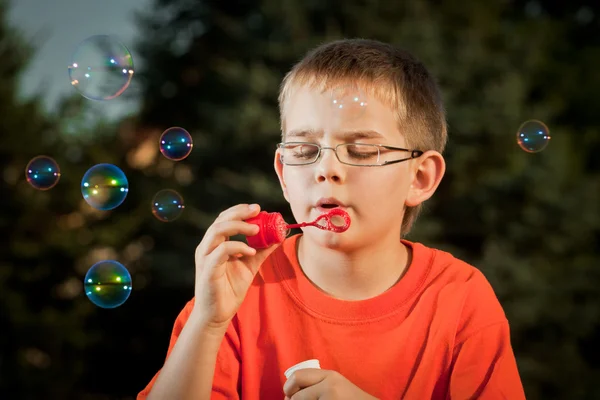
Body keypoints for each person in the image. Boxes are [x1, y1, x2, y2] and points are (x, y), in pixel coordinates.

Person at [138, 38, 526, 400]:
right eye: (305, 150)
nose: (325, 169)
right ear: (284, 175)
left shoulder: (460, 299)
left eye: (360, 150)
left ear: (419, 178)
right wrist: (207, 324)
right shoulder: (233, 295)